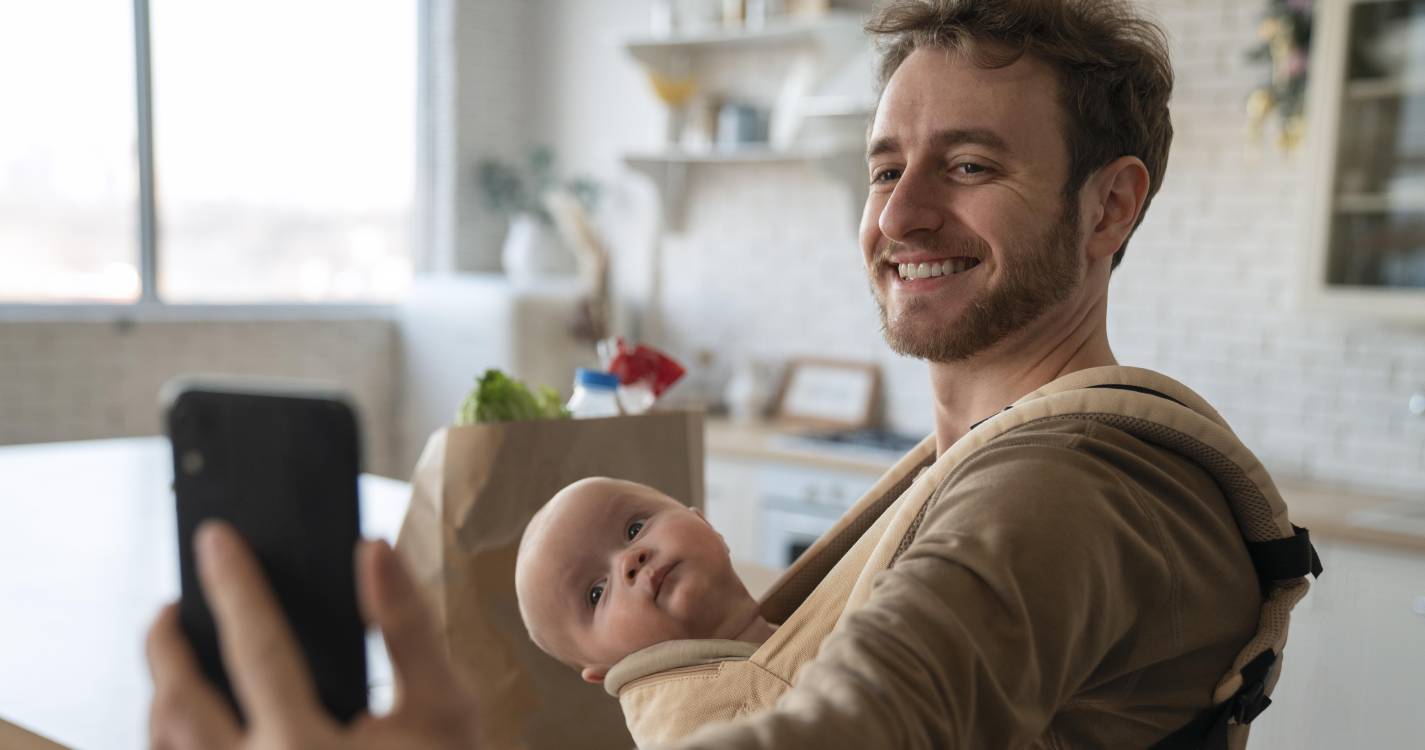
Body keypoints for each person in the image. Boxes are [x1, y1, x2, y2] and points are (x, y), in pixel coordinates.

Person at [145, 1, 1302, 747]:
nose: (900, 213)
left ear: (1110, 205)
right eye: (885, 166)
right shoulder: (972, 464)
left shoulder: (1067, 484)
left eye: (970, 163)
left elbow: (857, 729)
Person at [513, 477, 776, 685]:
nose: (629, 560)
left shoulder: (809, 601)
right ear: (607, 671)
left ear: (704, 522)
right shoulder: (680, 729)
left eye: (635, 528)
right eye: (596, 593)